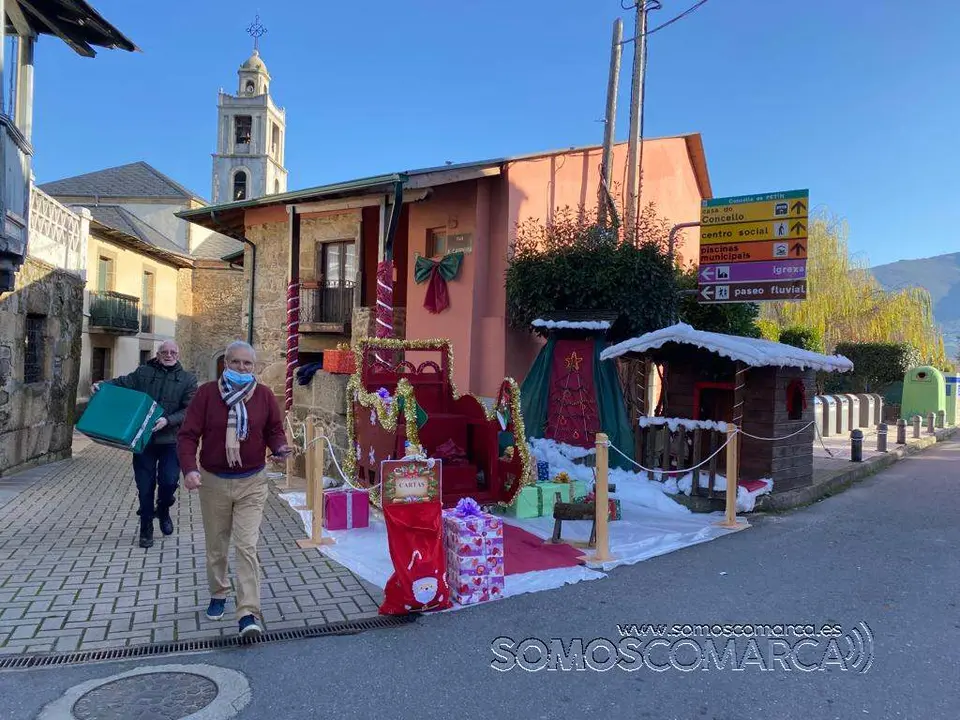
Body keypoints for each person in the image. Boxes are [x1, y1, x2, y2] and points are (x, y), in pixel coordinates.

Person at [177, 340, 291, 639]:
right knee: (217, 544)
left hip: (252, 482)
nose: (242, 368)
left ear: (254, 367)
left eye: (248, 364)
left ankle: (248, 613)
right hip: (213, 481)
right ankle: (218, 592)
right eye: (237, 362)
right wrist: (189, 468)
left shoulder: (264, 395)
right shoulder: (206, 394)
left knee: (246, 545)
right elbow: (188, 435)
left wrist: (279, 447)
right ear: (225, 364)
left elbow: (274, 430)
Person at [93, 340, 197, 549]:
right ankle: (146, 528)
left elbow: (189, 410)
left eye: (173, 352)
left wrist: (168, 420)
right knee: (144, 485)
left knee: (168, 482)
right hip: (143, 440)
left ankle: (164, 508)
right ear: (158, 354)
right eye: (164, 352)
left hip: (170, 440)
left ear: (178, 354)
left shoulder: (188, 379)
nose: (169, 355)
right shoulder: (143, 373)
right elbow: (123, 383)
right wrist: (102, 385)